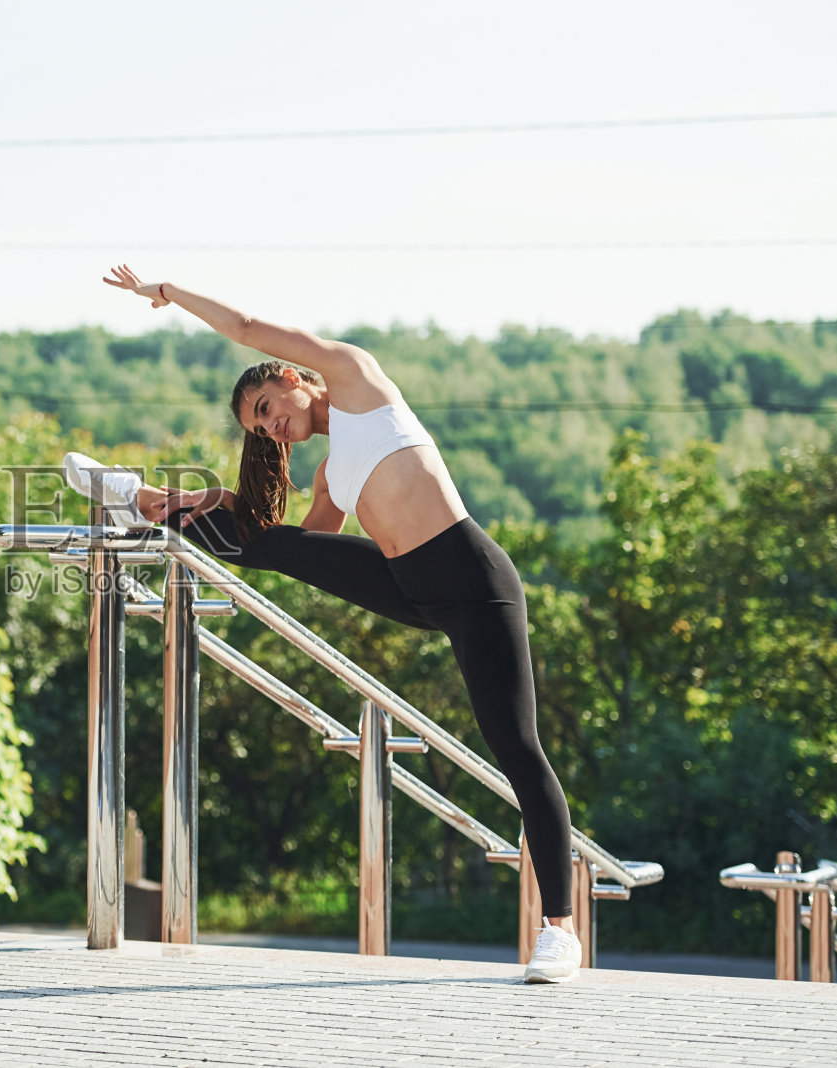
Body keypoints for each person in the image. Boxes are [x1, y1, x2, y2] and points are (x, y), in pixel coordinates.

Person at [70, 265, 581, 984]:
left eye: (269, 405)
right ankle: (146, 500)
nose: (273, 425)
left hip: (474, 585)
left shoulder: (356, 379)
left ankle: (560, 930)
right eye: (261, 426)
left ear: (293, 378)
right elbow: (285, 544)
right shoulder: (333, 475)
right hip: (410, 587)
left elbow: (246, 328)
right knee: (267, 539)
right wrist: (213, 499)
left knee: (516, 747)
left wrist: (170, 294)